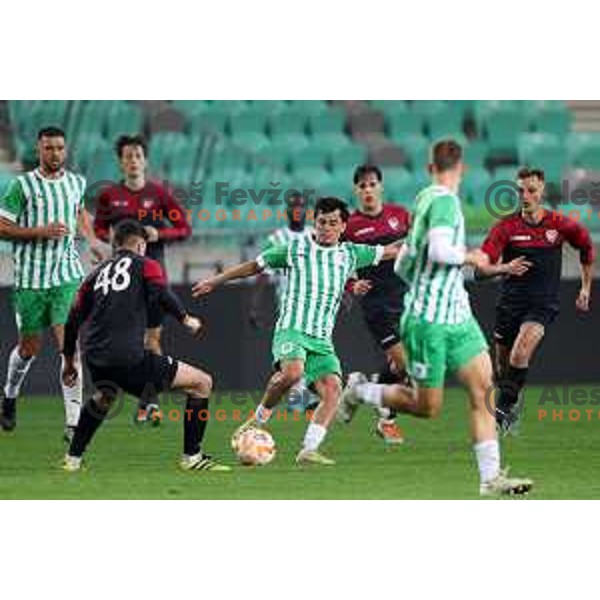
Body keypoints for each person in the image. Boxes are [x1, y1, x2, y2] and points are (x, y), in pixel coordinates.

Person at [339, 139, 533, 496]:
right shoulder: (443, 200)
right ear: (462, 169)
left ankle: (490, 479)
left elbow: (401, 263)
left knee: (482, 389)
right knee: (427, 406)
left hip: (458, 316)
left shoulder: (422, 200)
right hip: (428, 321)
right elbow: (443, 250)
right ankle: (360, 390)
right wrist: (473, 257)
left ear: (430, 168)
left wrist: (429, 281)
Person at [192, 196, 402, 465]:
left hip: (322, 339)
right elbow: (255, 266)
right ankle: (256, 420)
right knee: (293, 372)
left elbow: (391, 250)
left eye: (332, 223)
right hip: (292, 328)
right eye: (321, 222)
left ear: (343, 226)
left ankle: (309, 449)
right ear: (315, 223)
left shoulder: (350, 253)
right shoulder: (295, 249)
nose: (325, 228)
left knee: (333, 389)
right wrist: (216, 280)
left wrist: (422, 238)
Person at [62, 219, 229, 472]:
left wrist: (67, 361)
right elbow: (162, 293)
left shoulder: (94, 275)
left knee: (105, 395)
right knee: (202, 383)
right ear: (141, 245)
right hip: (129, 357)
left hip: (95, 358)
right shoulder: (146, 264)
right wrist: (185, 318)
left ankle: (72, 460)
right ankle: (192, 458)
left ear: (114, 244)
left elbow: (72, 319)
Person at [0, 126, 105, 440]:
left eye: (60, 148)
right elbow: (2, 226)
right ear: (39, 149)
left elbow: (79, 213)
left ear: (66, 150)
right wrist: (39, 232)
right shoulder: (22, 186)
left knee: (70, 350)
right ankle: (9, 395)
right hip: (31, 281)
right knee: (29, 349)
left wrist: (93, 240)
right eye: (49, 148)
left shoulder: (76, 182)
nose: (55, 153)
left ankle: (73, 424)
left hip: (66, 278)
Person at [477, 166, 594, 434]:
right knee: (502, 370)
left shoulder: (560, 225)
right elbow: (480, 269)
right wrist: (503, 269)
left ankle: (498, 421)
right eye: (520, 191)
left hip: (542, 305)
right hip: (509, 306)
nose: (525, 196)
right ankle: (511, 402)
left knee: (521, 352)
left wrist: (585, 287)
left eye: (531, 190)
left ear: (541, 190)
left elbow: (586, 246)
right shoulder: (505, 228)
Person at [93, 134, 192, 423]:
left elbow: (184, 228)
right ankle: (121, 395)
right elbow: (99, 229)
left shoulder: (159, 194)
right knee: (124, 338)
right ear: (120, 161)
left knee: (152, 339)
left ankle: (149, 402)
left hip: (151, 274)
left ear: (145, 160)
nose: (133, 161)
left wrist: (159, 234)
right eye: (128, 156)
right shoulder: (110, 196)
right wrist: (107, 239)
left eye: (138, 155)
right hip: (119, 278)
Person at [339, 164, 411, 444]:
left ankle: (361, 389)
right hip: (376, 306)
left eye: (372, 184)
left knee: (397, 367)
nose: (368, 190)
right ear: (356, 190)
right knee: (406, 367)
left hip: (405, 300)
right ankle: (384, 417)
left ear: (381, 186)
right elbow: (336, 262)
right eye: (362, 186)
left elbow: (416, 248)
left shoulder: (400, 216)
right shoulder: (351, 226)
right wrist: (350, 285)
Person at [249, 192, 316, 412]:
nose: (298, 211)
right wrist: (255, 306)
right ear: (287, 211)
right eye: (293, 207)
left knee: (309, 351)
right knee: (295, 352)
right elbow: (263, 272)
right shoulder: (276, 238)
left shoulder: (314, 235)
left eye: (302, 207)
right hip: (288, 305)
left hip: (315, 303)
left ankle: (300, 395)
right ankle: (298, 398)